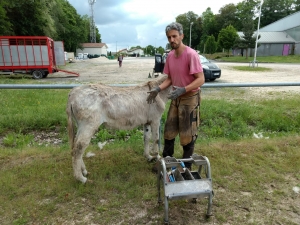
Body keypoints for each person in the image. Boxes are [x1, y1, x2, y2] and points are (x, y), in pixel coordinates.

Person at [147, 22, 205, 169]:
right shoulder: (171, 56)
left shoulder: (191, 55)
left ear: (181, 36)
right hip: (176, 97)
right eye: (169, 37)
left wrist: (183, 89)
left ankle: (186, 168)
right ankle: (167, 164)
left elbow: (201, 79)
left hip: (190, 98)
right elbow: (170, 79)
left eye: (174, 36)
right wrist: (157, 89)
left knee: (187, 134)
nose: (171, 40)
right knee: (169, 131)